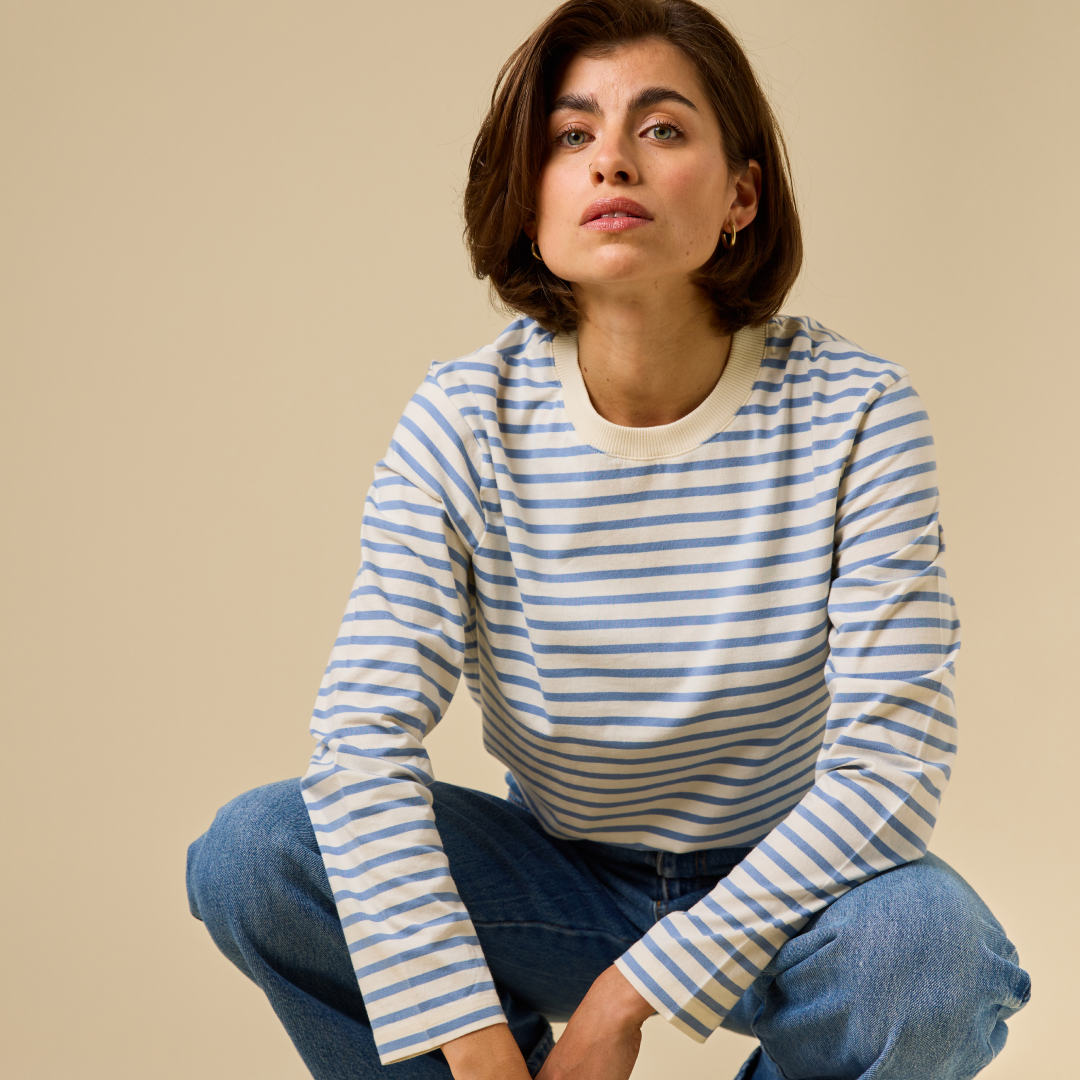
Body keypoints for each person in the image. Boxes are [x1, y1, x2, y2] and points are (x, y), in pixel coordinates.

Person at [185, 2, 1030, 1077]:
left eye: (662, 128)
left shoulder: (858, 412)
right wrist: (472, 1042)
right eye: (571, 134)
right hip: (553, 879)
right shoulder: (462, 420)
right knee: (259, 855)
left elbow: (889, 768)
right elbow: (362, 747)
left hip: (795, 891)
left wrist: (629, 997)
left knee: (933, 957)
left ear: (741, 196)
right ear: (528, 196)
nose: (612, 161)